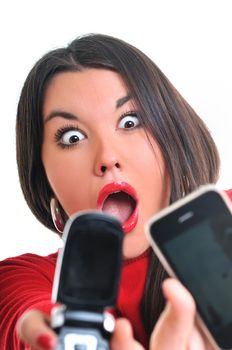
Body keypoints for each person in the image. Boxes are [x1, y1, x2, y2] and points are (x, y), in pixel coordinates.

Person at [0, 33, 231, 350]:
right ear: (43, 176)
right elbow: (24, 317)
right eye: (72, 137)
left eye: (131, 121)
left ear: (174, 136)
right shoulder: (27, 277)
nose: (107, 157)